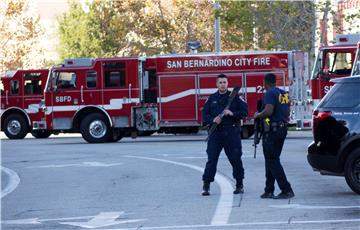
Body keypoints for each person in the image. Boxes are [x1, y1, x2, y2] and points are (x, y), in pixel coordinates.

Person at [202, 74, 248, 196]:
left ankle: (239, 184)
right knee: (211, 160)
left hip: (231, 132)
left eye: (225, 82)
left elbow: (245, 112)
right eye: (220, 82)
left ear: (228, 84)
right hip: (216, 133)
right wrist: (213, 119)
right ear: (216, 84)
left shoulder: (235, 97)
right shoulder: (211, 98)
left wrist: (232, 113)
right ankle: (206, 185)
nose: (223, 84)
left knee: (235, 159)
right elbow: (204, 116)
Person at [254, 73, 295, 199]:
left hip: (272, 131)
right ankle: (269, 189)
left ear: (266, 83)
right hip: (282, 129)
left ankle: (286, 189)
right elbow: (287, 111)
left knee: (272, 160)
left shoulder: (270, 93)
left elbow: (268, 111)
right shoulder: (283, 93)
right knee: (271, 160)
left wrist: (258, 115)